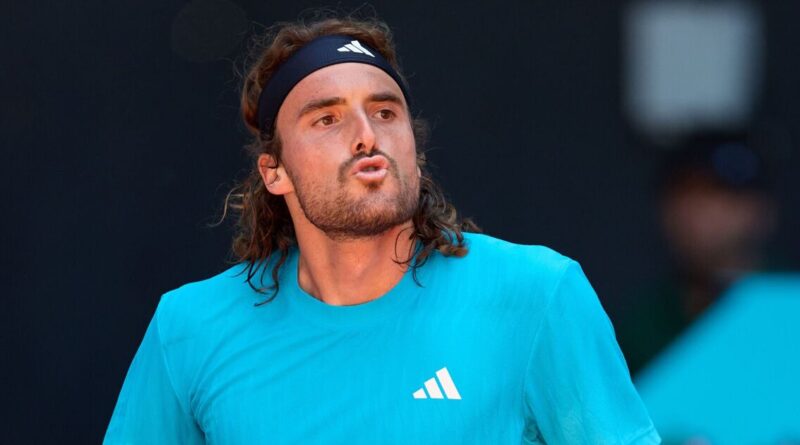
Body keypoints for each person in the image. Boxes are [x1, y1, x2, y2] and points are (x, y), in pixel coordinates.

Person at [104, 15, 659, 444]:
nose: (366, 134)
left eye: (385, 112)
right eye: (327, 118)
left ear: (416, 148)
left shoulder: (537, 293)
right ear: (274, 173)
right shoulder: (190, 327)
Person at [616, 131, 778, 376]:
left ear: (761, 210)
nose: (701, 213)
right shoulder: (642, 325)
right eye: (687, 195)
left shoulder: (789, 300)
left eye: (721, 194)